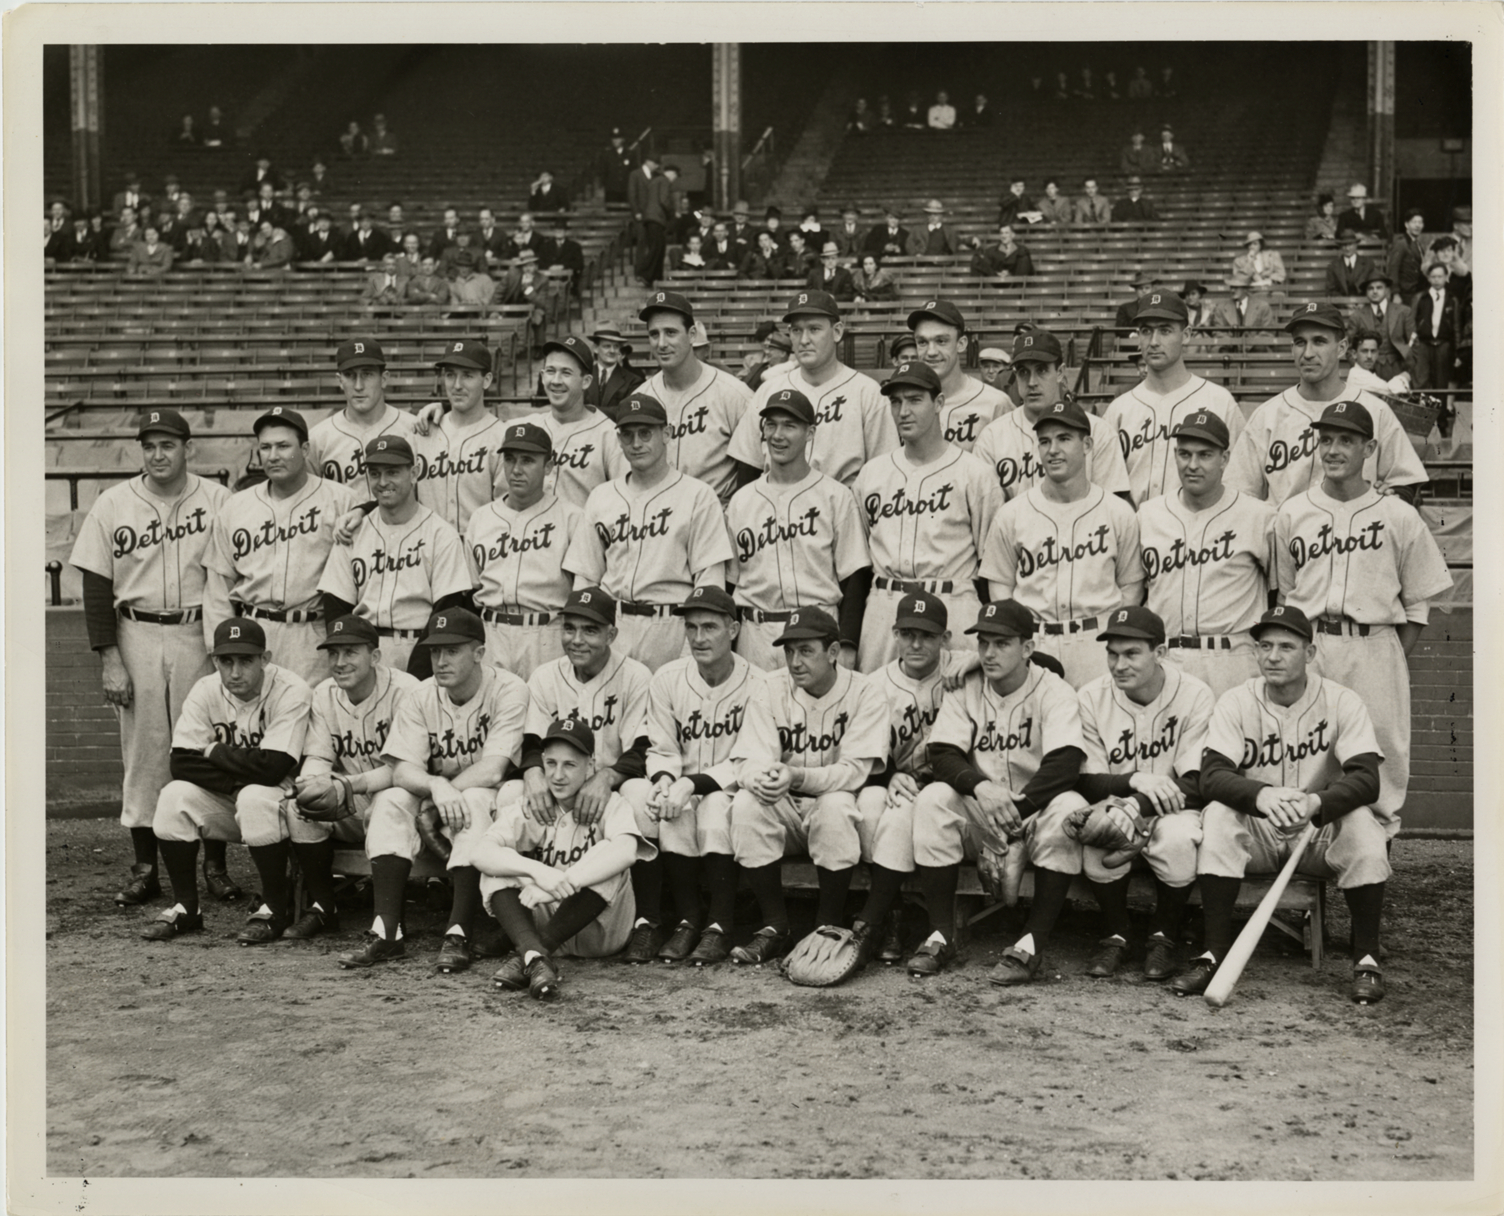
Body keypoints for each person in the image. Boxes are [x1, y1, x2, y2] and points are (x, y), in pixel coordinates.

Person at [1173, 606, 1391, 1005]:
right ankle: (1211, 955)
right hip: (1258, 833)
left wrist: (1316, 802)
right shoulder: (1237, 700)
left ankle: (1366, 959)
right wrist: (1260, 795)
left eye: (1286, 646)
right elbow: (1212, 775)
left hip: (1316, 836)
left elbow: (1367, 779)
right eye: (1265, 646)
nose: (1273, 656)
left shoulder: (1342, 701)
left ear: (1309, 654)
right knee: (1219, 815)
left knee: (1362, 824)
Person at [69, 409, 232, 908]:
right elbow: (96, 588)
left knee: (206, 746)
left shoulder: (218, 499)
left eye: (168, 444)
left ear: (189, 449)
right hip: (136, 630)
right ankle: (145, 868)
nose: (158, 455)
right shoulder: (114, 502)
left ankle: (215, 865)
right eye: (149, 446)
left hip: (197, 634)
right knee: (143, 753)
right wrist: (109, 659)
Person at [1272, 399, 1452, 843]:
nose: (1333, 450)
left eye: (1346, 441)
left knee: (1381, 758)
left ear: (1370, 448)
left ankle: (1374, 859)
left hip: (1374, 644)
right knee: (1303, 753)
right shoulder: (1293, 512)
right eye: (1326, 439)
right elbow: (1284, 592)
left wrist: (1386, 654)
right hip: (1310, 645)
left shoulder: (1399, 516)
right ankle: (1298, 862)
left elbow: (1417, 606)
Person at [337, 608, 528, 973]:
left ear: (478, 652)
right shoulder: (422, 694)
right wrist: (436, 787)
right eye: (435, 651)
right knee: (390, 799)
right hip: (440, 796)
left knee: (471, 799)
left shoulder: (509, 688)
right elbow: (403, 768)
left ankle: (458, 931)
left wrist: (444, 796)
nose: (440, 661)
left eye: (452, 651)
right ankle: (386, 931)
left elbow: (494, 768)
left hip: (496, 798)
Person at [907, 598, 1088, 979]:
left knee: (1070, 806)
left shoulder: (1054, 690)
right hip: (985, 809)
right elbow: (943, 753)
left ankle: (1031, 944)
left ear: (1027, 648)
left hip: (1035, 810)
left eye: (1002, 643)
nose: (989, 653)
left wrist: (1017, 820)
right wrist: (982, 788)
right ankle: (941, 934)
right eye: (984, 643)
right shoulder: (967, 687)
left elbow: (1065, 764)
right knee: (934, 798)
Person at [726, 607, 890, 965]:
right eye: (789, 651)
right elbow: (749, 758)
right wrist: (762, 779)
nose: (794, 661)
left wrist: (798, 776)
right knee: (745, 803)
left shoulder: (866, 692)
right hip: (785, 804)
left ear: (833, 652)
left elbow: (853, 772)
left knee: (834, 805)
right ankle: (774, 927)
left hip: (842, 810)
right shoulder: (770, 688)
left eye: (806, 650)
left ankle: (826, 925)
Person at [615, 587, 767, 965]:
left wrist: (690, 785)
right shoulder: (668, 678)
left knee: (713, 805)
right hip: (683, 783)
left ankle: (719, 923)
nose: (699, 638)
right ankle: (686, 920)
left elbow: (750, 756)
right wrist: (666, 781)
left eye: (710, 627)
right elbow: (662, 747)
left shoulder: (760, 683)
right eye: (692, 627)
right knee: (665, 805)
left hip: (736, 787)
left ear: (733, 630)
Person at [495, 587, 652, 940]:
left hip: (612, 786)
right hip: (560, 780)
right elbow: (533, 742)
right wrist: (534, 773)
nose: (577, 640)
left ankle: (646, 920)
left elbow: (642, 747)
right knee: (511, 794)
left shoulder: (635, 676)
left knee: (641, 794)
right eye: (570, 629)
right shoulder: (545, 676)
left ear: (612, 634)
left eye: (590, 630)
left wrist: (606, 778)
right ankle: (518, 919)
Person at [142, 619, 313, 942]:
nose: (235, 672)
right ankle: (186, 909)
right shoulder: (206, 689)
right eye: (226, 661)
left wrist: (214, 751)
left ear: (265, 659)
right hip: (233, 795)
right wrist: (234, 783)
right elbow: (180, 762)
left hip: (285, 803)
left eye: (246, 660)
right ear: (215, 661)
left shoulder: (292, 690)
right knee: (173, 796)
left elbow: (274, 768)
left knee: (254, 796)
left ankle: (274, 909)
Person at [1074, 606, 1215, 979]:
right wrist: (1132, 785)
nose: (1119, 664)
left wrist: (1140, 802)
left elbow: (1198, 781)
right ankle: (1116, 934)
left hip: (1176, 807)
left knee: (1179, 838)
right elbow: (1086, 779)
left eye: (1132, 653)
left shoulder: (1195, 694)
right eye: (1113, 654)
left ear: (1160, 652)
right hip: (1115, 803)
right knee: (1099, 835)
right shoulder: (1091, 696)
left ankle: (1163, 936)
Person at [475, 717, 655, 999]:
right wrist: (536, 871)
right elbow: (481, 851)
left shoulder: (611, 803)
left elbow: (627, 850)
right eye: (551, 764)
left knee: (607, 857)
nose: (558, 775)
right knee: (496, 866)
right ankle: (535, 957)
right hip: (546, 920)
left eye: (570, 765)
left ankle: (529, 951)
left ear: (591, 767)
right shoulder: (533, 804)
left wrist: (564, 880)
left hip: (601, 931)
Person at [980, 399, 1143, 688]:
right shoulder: (1012, 514)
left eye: (1064, 439)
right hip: (1034, 641)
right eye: (1044, 441)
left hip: (1096, 641)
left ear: (1087, 445)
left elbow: (1131, 587)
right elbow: (1000, 586)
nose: (1052, 450)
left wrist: (1113, 634)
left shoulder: (1118, 513)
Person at [563, 395, 733, 669]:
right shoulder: (601, 496)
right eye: (628, 435)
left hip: (670, 625)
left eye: (646, 433)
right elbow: (585, 577)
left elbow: (710, 582)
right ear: (618, 439)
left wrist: (690, 650)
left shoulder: (697, 495)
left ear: (666, 434)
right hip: (613, 624)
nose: (637, 443)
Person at [854, 361, 1001, 671]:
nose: (903, 411)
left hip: (953, 604)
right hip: (885, 606)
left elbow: (992, 564)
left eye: (914, 399)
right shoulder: (872, 474)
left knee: (957, 708)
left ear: (939, 403)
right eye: (896, 402)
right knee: (879, 708)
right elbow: (862, 558)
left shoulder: (975, 474)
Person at [288, 615, 421, 942]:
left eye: (350, 653)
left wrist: (344, 785)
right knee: (299, 806)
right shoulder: (324, 693)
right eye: (333, 654)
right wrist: (316, 785)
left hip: (408, 798)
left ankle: (387, 924)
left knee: (390, 801)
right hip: (355, 797)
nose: (340, 662)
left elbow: (404, 768)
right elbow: (319, 756)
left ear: (375, 657)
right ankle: (323, 907)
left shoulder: (408, 691)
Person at [202, 408, 353, 687]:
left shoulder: (342, 501)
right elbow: (218, 588)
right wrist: (221, 647)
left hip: (314, 634)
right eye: (265, 447)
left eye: (283, 446)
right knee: (253, 724)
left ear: (305, 449)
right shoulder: (236, 507)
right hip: (252, 630)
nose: (273, 455)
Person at [726, 387, 870, 672]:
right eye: (771, 424)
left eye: (790, 425)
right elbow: (729, 582)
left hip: (817, 631)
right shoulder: (742, 501)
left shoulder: (835, 496)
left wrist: (848, 642)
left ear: (810, 433)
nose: (778, 435)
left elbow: (855, 576)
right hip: (756, 633)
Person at [1228, 302, 1426, 508]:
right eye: (1300, 342)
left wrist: (1393, 496)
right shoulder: (1267, 415)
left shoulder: (1376, 410)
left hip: (1354, 534)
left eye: (1319, 341)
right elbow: (1239, 490)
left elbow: (1405, 479)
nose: (1308, 353)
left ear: (1341, 348)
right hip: (1285, 535)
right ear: (1292, 349)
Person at [1136, 411, 1275, 699]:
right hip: (1166, 659)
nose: (1193, 465)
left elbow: (1280, 592)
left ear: (1224, 459)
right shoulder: (1148, 515)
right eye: (1184, 454)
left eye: (1205, 455)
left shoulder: (1259, 516)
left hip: (1233, 660)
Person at [317, 436, 475, 674]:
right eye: (375, 473)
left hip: (419, 647)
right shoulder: (352, 532)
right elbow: (336, 606)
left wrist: (419, 673)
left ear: (414, 473)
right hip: (363, 650)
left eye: (392, 472)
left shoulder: (441, 534)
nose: (382, 482)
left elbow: (446, 610)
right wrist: (350, 657)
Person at [730, 290, 900, 488]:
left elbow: (885, 472)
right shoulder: (768, 391)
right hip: (776, 506)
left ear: (837, 332)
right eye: (796, 330)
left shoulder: (867, 393)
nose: (804, 340)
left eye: (814, 329)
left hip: (844, 506)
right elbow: (748, 467)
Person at [1102, 290, 1245, 504]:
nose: (1154, 341)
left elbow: (1240, 479)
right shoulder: (1119, 409)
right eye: (1146, 331)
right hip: (1133, 528)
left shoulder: (1219, 401)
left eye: (1165, 330)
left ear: (1186, 335)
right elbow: (1105, 485)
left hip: (1200, 528)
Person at [464, 422, 581, 681]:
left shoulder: (572, 518)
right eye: (510, 459)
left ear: (548, 467)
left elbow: (581, 592)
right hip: (491, 632)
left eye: (527, 460)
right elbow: (471, 588)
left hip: (546, 635)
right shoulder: (481, 518)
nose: (516, 470)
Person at [973, 328, 1132, 502]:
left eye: (1041, 370)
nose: (1032, 382)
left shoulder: (1098, 432)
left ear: (1060, 373)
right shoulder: (992, 437)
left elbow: (1112, 508)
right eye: (1023, 372)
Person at [636, 289, 755, 506]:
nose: (661, 343)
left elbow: (756, 472)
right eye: (654, 334)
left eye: (671, 332)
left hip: (716, 517)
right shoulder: (641, 397)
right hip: (657, 517)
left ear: (692, 335)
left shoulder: (734, 394)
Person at [530, 334, 627, 507]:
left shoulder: (610, 435)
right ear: (543, 376)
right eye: (551, 371)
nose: (556, 381)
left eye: (566, 373)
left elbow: (623, 501)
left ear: (586, 381)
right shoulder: (531, 427)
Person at [307, 339, 415, 486]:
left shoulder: (413, 428)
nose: (358, 386)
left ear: (384, 379)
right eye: (350, 375)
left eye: (367, 374)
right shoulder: (318, 439)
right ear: (340, 381)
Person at [907, 298, 1010, 452]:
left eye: (941, 341)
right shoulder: (901, 404)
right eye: (922, 342)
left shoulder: (995, 403)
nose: (931, 352)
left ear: (961, 344)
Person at [1345, 274, 1413, 382]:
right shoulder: (1357, 316)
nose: (1375, 291)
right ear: (1366, 292)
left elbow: (1413, 343)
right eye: (1371, 288)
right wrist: (1361, 371)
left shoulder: (1403, 312)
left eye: (1379, 287)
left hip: (1398, 367)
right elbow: (1349, 349)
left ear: (1387, 290)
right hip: (1369, 370)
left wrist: (1408, 371)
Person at [1409, 262, 1463, 390]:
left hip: (1443, 345)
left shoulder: (1452, 299)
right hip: (1423, 344)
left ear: (1446, 277)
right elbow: (1411, 322)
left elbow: (1456, 327)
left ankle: (1441, 410)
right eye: (1433, 277)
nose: (1437, 280)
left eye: (1440, 276)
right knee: (1420, 380)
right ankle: (1421, 410)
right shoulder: (1420, 298)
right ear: (1428, 278)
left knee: (1441, 382)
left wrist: (1458, 352)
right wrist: (1412, 347)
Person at [585, 323, 645, 419]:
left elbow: (627, 410)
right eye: (607, 346)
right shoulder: (583, 375)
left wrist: (588, 410)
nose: (612, 351)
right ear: (595, 349)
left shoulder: (633, 380)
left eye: (616, 346)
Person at [629, 155, 670, 285]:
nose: (657, 166)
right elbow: (632, 193)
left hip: (651, 214)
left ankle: (650, 274)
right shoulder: (635, 174)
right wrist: (636, 212)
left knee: (653, 244)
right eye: (655, 163)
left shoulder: (655, 176)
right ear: (648, 161)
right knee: (642, 241)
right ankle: (640, 272)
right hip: (643, 214)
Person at [1210, 283, 1276, 350]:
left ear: (1245, 289)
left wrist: (1250, 343)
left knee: (1260, 349)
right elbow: (1218, 331)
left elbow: (1268, 331)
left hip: (1255, 347)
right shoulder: (1221, 307)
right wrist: (1232, 342)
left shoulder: (1263, 306)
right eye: (1231, 287)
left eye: (1236, 288)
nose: (1232, 290)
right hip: (1230, 348)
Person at [1387, 208, 1428, 302]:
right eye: (1414, 222)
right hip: (1404, 293)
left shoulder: (1418, 244)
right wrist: (1395, 293)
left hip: (1416, 291)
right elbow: (1393, 269)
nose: (1417, 225)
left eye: (1420, 222)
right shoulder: (1401, 243)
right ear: (1406, 225)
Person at [970, 224, 1036, 279]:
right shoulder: (991, 250)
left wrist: (1010, 274)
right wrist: (997, 273)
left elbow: (1029, 271)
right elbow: (988, 268)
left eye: (1006, 233)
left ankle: (1020, 291)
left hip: (1014, 281)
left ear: (1013, 235)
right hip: (996, 280)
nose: (1003, 236)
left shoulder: (1022, 250)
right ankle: (976, 293)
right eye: (1001, 233)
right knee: (976, 259)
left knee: (1024, 258)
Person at [1324, 231, 1376, 297]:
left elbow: (1373, 286)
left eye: (1350, 244)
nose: (1347, 248)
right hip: (1342, 306)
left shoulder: (1368, 263)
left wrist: (1363, 302)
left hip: (1364, 304)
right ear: (1340, 246)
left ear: (1356, 245)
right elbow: (1330, 291)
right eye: (1344, 245)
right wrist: (1345, 303)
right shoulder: (1332, 266)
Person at [600, 128, 637, 207]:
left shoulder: (630, 154)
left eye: (618, 138)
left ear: (623, 139)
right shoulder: (606, 155)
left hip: (626, 190)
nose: (615, 141)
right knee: (612, 211)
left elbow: (634, 171)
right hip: (611, 191)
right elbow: (603, 172)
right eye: (613, 138)